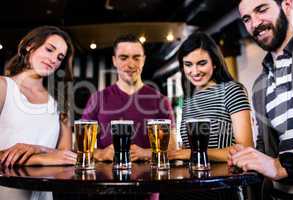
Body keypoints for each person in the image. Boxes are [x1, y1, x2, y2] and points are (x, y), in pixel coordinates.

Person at [228, 0, 293, 198]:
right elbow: (266, 148)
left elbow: (276, 165)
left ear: (287, 5)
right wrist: (247, 157)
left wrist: (282, 166)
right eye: (247, 18)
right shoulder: (261, 83)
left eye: (261, 10)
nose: (255, 23)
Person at [0, 26, 77, 200]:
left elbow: (66, 157)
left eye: (59, 58)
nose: (53, 60)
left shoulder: (60, 103)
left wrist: (38, 149)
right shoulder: (3, 87)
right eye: (49, 49)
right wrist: (41, 158)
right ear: (30, 46)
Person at [82, 34, 175, 162]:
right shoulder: (97, 99)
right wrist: (102, 154)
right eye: (124, 58)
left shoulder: (161, 101)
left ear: (143, 60)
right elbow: (82, 147)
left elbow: (172, 148)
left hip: (150, 179)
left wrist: (145, 153)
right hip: (107, 179)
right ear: (114, 60)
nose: (130, 64)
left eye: (136, 58)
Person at [168, 31, 253, 162]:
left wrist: (193, 153)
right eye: (188, 64)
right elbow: (187, 150)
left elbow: (246, 149)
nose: (195, 71)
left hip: (227, 179)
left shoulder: (231, 90)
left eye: (202, 63)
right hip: (195, 178)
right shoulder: (188, 100)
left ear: (214, 62)